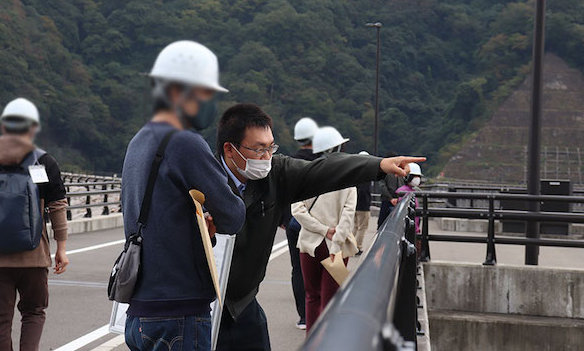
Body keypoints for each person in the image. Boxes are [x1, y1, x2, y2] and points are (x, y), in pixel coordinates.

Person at [215, 103, 425, 351]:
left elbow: (323, 170)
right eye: (259, 150)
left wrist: (377, 167)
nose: (266, 158)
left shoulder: (275, 173)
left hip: (244, 303)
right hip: (203, 305)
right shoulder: (202, 179)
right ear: (230, 149)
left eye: (271, 147)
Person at [121, 41, 246, 351]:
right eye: (206, 95)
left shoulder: (139, 141)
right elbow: (233, 215)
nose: (212, 104)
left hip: (140, 310)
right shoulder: (185, 142)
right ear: (179, 92)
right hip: (179, 312)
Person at [0, 98, 69, 351]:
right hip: (34, 257)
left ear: (4, 126)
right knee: (34, 312)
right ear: (32, 128)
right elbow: (57, 205)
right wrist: (61, 247)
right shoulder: (43, 161)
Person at [292, 126, 358, 332]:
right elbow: (348, 215)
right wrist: (335, 240)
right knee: (331, 300)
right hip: (336, 247)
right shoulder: (348, 179)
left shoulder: (306, 176)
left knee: (312, 297)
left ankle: (311, 340)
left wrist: (321, 229)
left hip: (309, 244)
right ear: (338, 147)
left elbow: (297, 210)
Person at [285, 117, 320, 330]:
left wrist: (283, 220)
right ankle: (317, 313)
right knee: (316, 266)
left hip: (293, 222)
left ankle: (303, 317)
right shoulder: (321, 162)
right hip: (316, 222)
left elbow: (283, 193)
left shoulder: (289, 161)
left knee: (297, 269)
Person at [394, 162, 423, 252]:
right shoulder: (403, 192)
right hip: (410, 229)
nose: (417, 179)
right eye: (415, 176)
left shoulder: (412, 191)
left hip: (414, 227)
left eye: (418, 177)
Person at [377, 151, 406, 228]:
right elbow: (403, 185)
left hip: (387, 200)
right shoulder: (401, 171)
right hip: (399, 200)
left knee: (382, 224)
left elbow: (382, 186)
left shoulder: (384, 172)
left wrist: (390, 198)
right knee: (397, 224)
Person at [353, 151, 372, 256]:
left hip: (355, 204)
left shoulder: (355, 172)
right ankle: (357, 247)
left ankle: (347, 245)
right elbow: (364, 190)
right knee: (362, 228)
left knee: (355, 226)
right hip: (363, 205)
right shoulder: (366, 174)